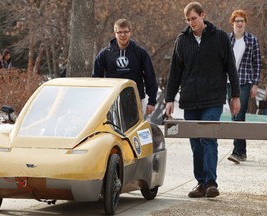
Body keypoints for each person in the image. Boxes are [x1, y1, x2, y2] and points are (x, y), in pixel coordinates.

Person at [165, 1, 240, 198]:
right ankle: (201, 183)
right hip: (189, 100)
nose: (191, 22)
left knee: (208, 138)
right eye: (188, 20)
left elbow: (231, 68)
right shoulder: (182, 41)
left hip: (213, 99)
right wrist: (169, 98)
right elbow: (174, 72)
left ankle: (211, 182)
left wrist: (235, 96)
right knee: (195, 143)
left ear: (203, 15)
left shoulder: (220, 37)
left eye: (194, 18)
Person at [92, 18, 158, 116]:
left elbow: (150, 78)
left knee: (134, 130)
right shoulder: (105, 54)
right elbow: (96, 79)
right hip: (112, 101)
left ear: (130, 32)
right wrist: (98, 101)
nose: (123, 35)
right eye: (119, 32)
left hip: (135, 99)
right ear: (115, 33)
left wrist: (152, 102)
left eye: (125, 32)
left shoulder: (140, 53)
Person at [227, 9, 262, 164]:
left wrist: (255, 84)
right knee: (235, 116)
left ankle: (237, 152)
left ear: (245, 23)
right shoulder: (227, 39)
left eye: (242, 21)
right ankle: (242, 151)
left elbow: (257, 63)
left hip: (245, 81)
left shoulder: (252, 40)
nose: (239, 23)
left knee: (239, 114)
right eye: (237, 21)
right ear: (232, 23)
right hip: (229, 82)